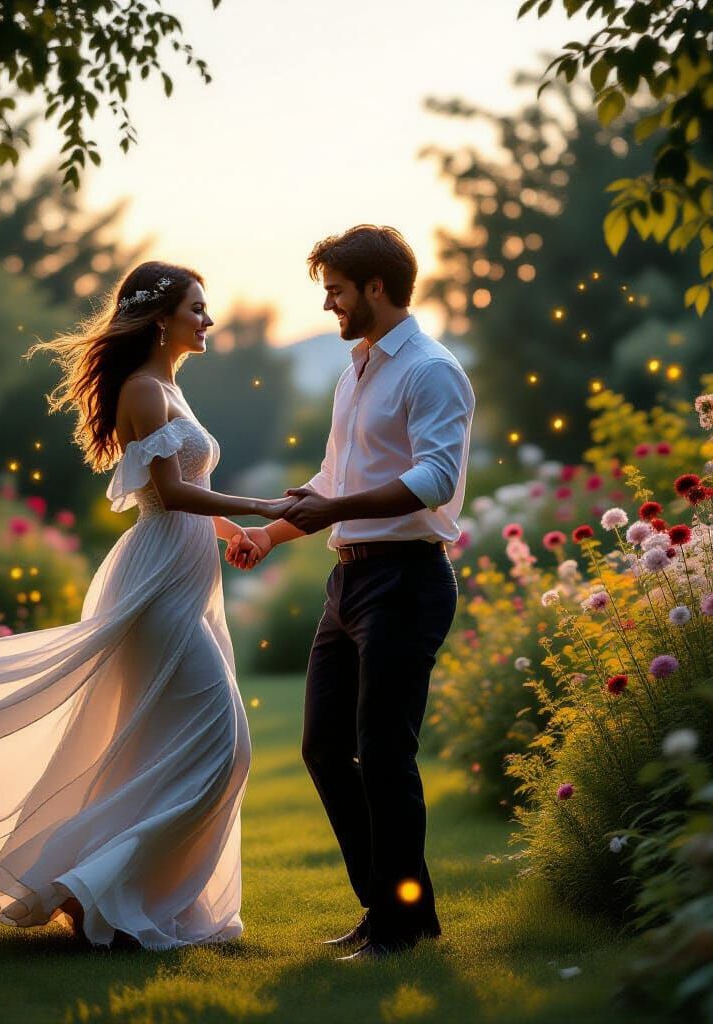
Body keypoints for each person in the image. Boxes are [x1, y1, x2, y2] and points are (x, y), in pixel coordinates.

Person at [0, 261, 293, 951]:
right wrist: (260, 503)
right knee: (223, 747)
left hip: (185, 574)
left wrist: (238, 532)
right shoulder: (144, 390)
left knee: (168, 748)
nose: (208, 320)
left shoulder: (171, 387)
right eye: (197, 309)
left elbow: (180, 492)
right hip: (157, 587)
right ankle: (93, 890)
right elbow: (168, 495)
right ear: (161, 317)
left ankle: (104, 898)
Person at [227, 225, 475, 961]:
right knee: (324, 749)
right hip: (351, 582)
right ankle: (394, 907)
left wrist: (332, 509)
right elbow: (336, 479)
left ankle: (400, 925)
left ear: (374, 287)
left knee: (384, 753)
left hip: (406, 580)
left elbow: (437, 480)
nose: (329, 304)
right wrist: (270, 535)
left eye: (336, 290)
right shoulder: (357, 368)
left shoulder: (432, 370)